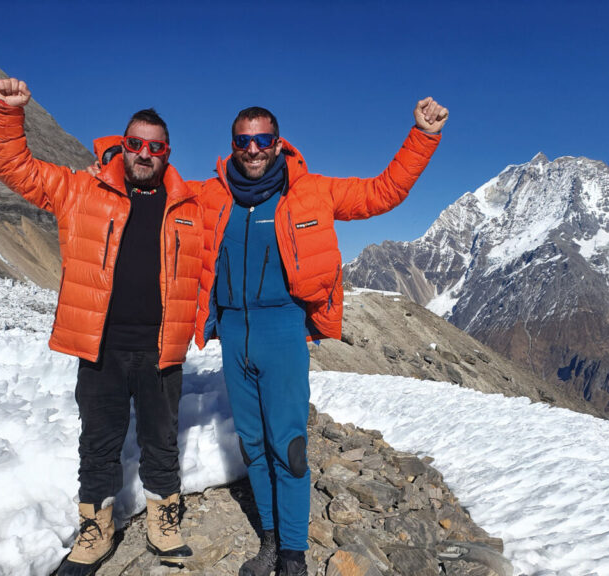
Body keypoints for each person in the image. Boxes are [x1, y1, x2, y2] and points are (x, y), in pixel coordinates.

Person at [190, 98, 449, 576]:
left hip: (283, 331)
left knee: (287, 445)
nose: (253, 149)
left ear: (277, 143)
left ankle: (292, 553)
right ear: (232, 146)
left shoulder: (311, 192)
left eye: (263, 139)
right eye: (244, 141)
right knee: (252, 444)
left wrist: (423, 136)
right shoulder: (210, 194)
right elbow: (152, 193)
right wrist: (108, 167)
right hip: (233, 332)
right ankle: (269, 539)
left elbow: (383, 192)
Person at [0, 78, 202, 576]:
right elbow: (15, 168)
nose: (144, 153)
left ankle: (163, 520)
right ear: (121, 146)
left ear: (167, 153)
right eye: (135, 144)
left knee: (161, 438)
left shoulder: (191, 206)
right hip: (101, 345)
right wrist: (5, 112)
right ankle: (95, 527)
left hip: (159, 347)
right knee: (99, 441)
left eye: (155, 147)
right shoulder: (81, 189)